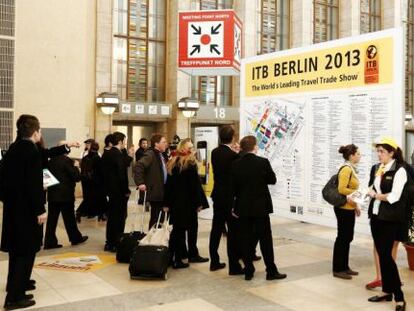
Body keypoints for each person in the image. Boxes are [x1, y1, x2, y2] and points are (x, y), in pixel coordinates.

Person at [0, 115, 46, 310]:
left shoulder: (13, 149)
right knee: (26, 252)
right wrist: (40, 210)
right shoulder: (31, 151)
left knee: (17, 252)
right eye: (40, 131)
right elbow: (33, 185)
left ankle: (15, 286)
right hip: (27, 211)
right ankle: (15, 298)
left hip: (13, 209)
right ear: (35, 132)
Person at [231, 136, 286, 281]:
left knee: (246, 239)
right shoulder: (262, 162)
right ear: (254, 147)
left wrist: (234, 207)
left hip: (243, 207)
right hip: (261, 207)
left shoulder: (236, 164)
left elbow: (234, 188)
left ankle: (248, 269)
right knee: (265, 240)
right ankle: (271, 271)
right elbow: (272, 180)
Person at [367, 137, 408, 311]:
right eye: (377, 151)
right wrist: (365, 193)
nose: (379, 154)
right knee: (382, 254)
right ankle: (386, 291)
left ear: (391, 152)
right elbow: (373, 188)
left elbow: (394, 196)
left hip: (390, 218)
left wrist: (375, 195)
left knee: (386, 256)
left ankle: (399, 297)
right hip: (376, 216)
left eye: (382, 151)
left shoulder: (400, 170)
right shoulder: (378, 168)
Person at [164, 138, 209, 269]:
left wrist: (166, 203)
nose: (192, 149)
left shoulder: (173, 162)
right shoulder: (189, 163)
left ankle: (175, 257)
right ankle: (190, 255)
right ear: (183, 149)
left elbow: (169, 185)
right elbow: (194, 186)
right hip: (188, 204)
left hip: (175, 203)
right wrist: (199, 203)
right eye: (190, 147)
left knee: (177, 230)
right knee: (191, 229)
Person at [209, 125, 243, 274]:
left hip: (218, 195)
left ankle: (214, 261)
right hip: (230, 197)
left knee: (216, 229)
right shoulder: (234, 156)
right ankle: (234, 266)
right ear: (233, 138)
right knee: (233, 232)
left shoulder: (215, 152)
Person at [44, 142, 88, 249]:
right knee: (69, 219)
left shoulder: (51, 161)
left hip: (53, 194)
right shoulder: (67, 161)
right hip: (65, 195)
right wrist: (77, 167)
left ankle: (49, 242)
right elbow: (76, 177)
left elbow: (46, 177)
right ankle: (75, 238)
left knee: (52, 220)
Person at [332, 144, 361, 279]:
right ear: (351, 155)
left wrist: (356, 205)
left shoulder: (352, 169)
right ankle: (338, 269)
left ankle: (345, 266)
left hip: (349, 207)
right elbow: (342, 189)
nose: (360, 156)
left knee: (347, 237)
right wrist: (358, 193)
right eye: (358, 154)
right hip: (343, 209)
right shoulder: (346, 169)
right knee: (343, 238)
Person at [102, 132, 131, 252]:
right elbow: (121, 174)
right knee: (119, 218)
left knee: (112, 218)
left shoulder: (107, 153)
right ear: (120, 142)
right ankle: (116, 241)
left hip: (111, 191)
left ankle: (109, 242)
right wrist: (126, 190)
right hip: (119, 192)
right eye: (124, 141)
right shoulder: (117, 154)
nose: (125, 143)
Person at [133, 134, 168, 229]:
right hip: (155, 191)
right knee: (156, 218)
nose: (166, 144)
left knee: (159, 218)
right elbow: (139, 166)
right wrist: (140, 182)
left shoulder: (160, 154)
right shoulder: (151, 154)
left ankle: (156, 238)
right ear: (156, 144)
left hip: (161, 190)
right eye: (163, 142)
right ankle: (153, 240)